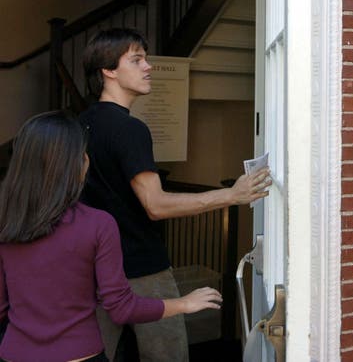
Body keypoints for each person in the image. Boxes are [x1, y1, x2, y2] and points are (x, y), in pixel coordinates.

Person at [79, 28, 271, 362]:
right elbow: (156, 205)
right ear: (108, 70)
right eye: (137, 59)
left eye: (145, 58)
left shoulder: (81, 123)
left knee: (94, 356)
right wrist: (232, 194)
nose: (148, 66)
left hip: (94, 267)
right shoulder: (129, 129)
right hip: (142, 268)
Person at [0, 110, 223, 362]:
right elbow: (121, 307)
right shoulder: (98, 224)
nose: (86, 159)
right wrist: (183, 303)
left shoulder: (6, 223)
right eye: (82, 154)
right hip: (79, 355)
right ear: (73, 164)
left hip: (14, 354)